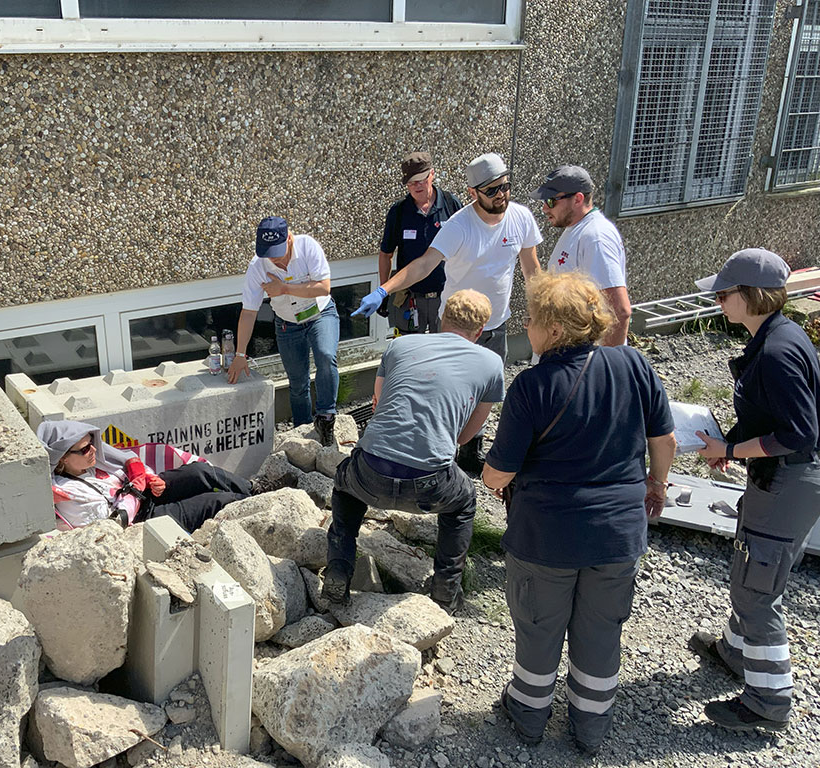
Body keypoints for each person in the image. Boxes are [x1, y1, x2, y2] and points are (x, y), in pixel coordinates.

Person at [481, 272, 676, 754]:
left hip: (547, 534)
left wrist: (489, 477)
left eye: (532, 319)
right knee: (601, 627)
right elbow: (665, 440)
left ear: (552, 329)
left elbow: (498, 474)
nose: (527, 327)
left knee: (539, 623)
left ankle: (528, 715)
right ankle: (590, 726)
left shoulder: (531, 386)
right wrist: (656, 484)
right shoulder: (634, 364)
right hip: (618, 531)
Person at [688, 248, 820, 733]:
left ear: (748, 296)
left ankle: (769, 698)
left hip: (790, 482)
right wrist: (736, 445)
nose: (719, 302)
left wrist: (733, 449)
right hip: (781, 481)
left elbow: (798, 433)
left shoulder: (778, 352)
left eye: (724, 294)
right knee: (751, 565)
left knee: (757, 592)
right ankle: (736, 651)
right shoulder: (780, 335)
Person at [353, 152, 542, 470]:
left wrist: (543, 310)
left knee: (486, 393)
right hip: (458, 330)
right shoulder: (459, 226)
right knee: (451, 391)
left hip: (496, 324)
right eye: (492, 190)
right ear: (473, 193)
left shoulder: (521, 218)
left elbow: (532, 269)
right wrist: (384, 289)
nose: (501, 196)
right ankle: (439, 453)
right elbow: (424, 264)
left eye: (505, 187)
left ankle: (471, 452)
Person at [323, 289, 505, 614]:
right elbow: (466, 436)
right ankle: (445, 595)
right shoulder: (491, 364)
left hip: (370, 474)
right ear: (480, 332)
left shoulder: (399, 345)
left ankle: (338, 571)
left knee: (344, 486)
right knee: (463, 503)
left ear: (440, 319)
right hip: (429, 485)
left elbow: (378, 405)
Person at [228, 216, 339, 445]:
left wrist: (284, 288)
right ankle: (303, 432)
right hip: (288, 324)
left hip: (320, 313)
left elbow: (323, 288)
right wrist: (240, 355)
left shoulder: (307, 246)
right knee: (298, 383)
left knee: (326, 356)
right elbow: (249, 312)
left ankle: (326, 417)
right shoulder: (257, 267)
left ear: (289, 238)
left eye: (277, 251)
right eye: (268, 252)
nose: (274, 258)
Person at [38, 420, 252, 533]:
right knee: (215, 502)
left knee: (200, 472)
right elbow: (111, 523)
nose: (94, 450)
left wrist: (147, 478)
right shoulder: (67, 493)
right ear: (62, 459)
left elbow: (128, 464)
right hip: (140, 522)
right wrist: (135, 490)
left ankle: (255, 490)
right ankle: (257, 506)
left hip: (143, 495)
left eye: (93, 443)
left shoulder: (94, 464)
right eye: (85, 449)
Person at [533, 165, 631, 347]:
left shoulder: (596, 237)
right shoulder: (577, 229)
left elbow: (620, 310)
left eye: (551, 201)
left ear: (578, 199)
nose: (545, 208)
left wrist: (606, 365)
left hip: (585, 364)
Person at [378, 151, 463, 334]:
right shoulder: (399, 211)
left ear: (432, 174)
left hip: (446, 295)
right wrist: (383, 291)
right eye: (410, 182)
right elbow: (386, 254)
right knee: (411, 354)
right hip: (411, 298)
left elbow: (467, 247)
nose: (416, 186)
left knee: (445, 352)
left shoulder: (450, 204)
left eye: (420, 180)